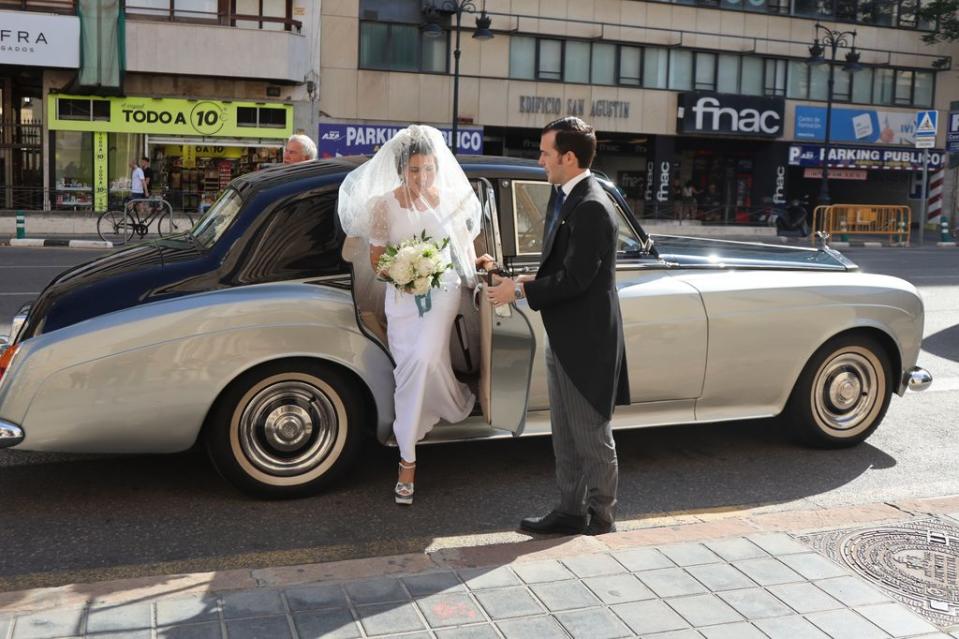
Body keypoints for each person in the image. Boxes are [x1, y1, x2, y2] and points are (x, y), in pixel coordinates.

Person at [337, 125, 495, 505]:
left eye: (428, 169)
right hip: (402, 296)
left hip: (443, 291)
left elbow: (460, 249)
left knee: (422, 358)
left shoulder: (450, 201)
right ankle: (451, 400)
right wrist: (404, 273)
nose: (422, 177)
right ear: (401, 170)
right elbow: (377, 260)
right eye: (414, 171)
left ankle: (406, 458)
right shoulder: (382, 206)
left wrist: (482, 262)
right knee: (414, 363)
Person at [487, 116, 629, 536]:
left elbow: (576, 281)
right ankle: (570, 510)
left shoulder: (591, 206)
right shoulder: (567, 197)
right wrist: (524, 280)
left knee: (590, 433)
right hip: (566, 334)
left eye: (546, 152)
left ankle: (602, 517)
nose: (540, 159)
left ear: (569, 157)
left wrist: (518, 293)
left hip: (586, 343)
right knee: (566, 433)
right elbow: (566, 268)